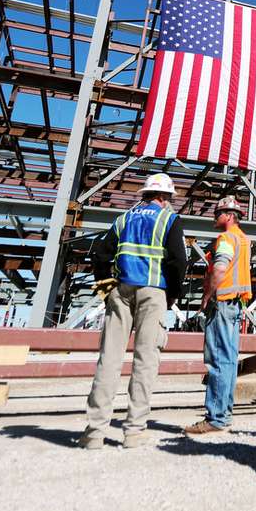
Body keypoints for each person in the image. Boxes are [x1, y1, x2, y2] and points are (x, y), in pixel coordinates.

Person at [80, 173, 188, 449]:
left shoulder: (123, 219)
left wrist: (107, 291)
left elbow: (101, 256)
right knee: (145, 360)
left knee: (109, 359)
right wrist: (173, 295)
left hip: (121, 290)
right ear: (163, 198)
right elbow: (178, 261)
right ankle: (134, 431)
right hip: (153, 292)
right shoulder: (169, 220)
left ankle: (94, 432)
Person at [185, 196, 252, 435]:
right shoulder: (244, 239)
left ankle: (215, 417)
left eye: (219, 213)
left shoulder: (226, 238)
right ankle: (224, 413)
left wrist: (206, 297)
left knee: (217, 360)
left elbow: (221, 267)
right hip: (236, 305)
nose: (215, 217)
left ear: (230, 216)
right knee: (229, 359)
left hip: (222, 304)